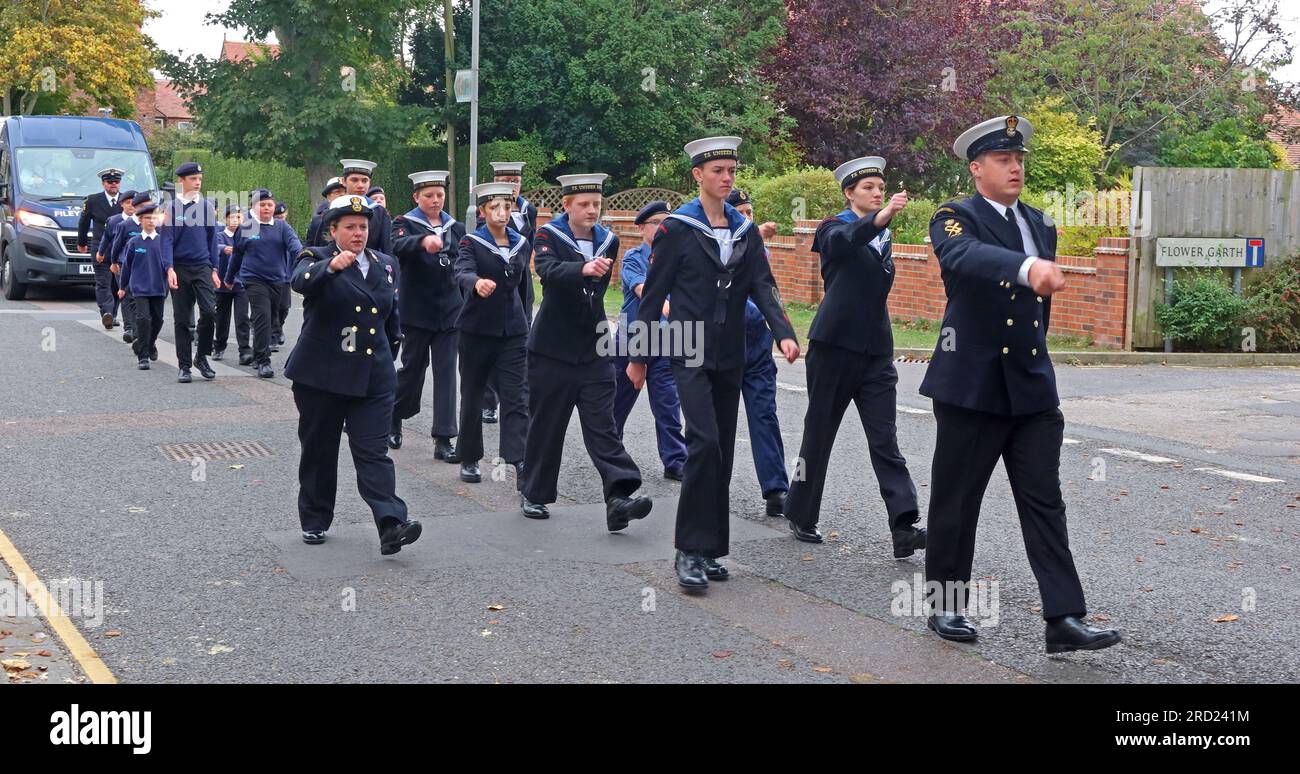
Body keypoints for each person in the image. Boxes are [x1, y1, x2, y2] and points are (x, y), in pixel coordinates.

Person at [921, 115, 1121, 653]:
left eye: (1020, 159)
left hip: (1030, 388)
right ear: (977, 167)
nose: (1015, 167)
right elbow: (963, 258)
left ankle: (1064, 619)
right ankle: (945, 604)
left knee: (1044, 502)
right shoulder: (953, 217)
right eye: (1004, 160)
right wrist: (1028, 267)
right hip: (971, 386)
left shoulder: (1040, 222)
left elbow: (1039, 315)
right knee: (957, 502)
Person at [627, 136, 799, 592]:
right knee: (702, 442)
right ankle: (687, 548)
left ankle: (710, 549)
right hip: (688, 348)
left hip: (731, 352)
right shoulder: (678, 228)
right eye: (718, 171)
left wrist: (783, 332)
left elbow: (763, 285)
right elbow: (654, 294)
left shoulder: (742, 229)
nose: (726, 178)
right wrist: (639, 357)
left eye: (731, 171)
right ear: (697, 176)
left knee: (720, 448)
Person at [783, 157, 924, 558]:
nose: (878, 193)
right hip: (833, 348)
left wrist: (881, 222)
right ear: (849, 193)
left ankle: (904, 526)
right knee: (819, 433)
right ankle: (801, 512)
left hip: (876, 353)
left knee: (885, 439)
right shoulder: (833, 228)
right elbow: (844, 243)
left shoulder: (885, 236)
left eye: (881, 187)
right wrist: (879, 218)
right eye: (868, 188)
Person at [283, 194, 421, 555]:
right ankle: (314, 519)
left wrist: (393, 351)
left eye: (363, 226)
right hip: (322, 376)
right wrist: (331, 267)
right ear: (333, 230)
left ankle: (391, 523)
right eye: (350, 227)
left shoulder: (386, 263)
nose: (359, 233)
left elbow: (391, 316)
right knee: (319, 450)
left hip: (373, 377)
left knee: (373, 451)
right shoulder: (316, 257)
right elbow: (299, 281)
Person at [520, 173, 653, 530]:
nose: (592, 210)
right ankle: (534, 492)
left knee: (603, 425)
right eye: (584, 204)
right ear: (567, 205)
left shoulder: (608, 239)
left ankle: (619, 497)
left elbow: (597, 288)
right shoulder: (548, 235)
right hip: (552, 348)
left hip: (594, 346)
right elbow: (546, 272)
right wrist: (582, 268)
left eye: (596, 203)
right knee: (548, 425)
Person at [453, 182, 531, 485]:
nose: (502, 213)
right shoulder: (471, 242)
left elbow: (524, 288)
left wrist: (525, 321)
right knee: (472, 395)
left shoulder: (521, 243)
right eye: (495, 207)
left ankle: (519, 459)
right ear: (483, 211)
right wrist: (476, 283)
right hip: (476, 330)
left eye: (507, 207)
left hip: (512, 331)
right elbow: (461, 271)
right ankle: (470, 457)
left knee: (516, 397)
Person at [388, 170, 466, 461]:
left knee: (446, 375)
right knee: (411, 371)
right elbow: (397, 246)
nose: (435, 201)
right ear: (416, 197)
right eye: (429, 196)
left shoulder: (455, 227)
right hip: (417, 312)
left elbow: (463, 260)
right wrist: (422, 242)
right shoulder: (404, 223)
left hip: (450, 312)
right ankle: (394, 416)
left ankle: (444, 437)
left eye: (440, 195)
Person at [725, 188, 791, 518]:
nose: (749, 218)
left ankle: (776, 488)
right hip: (723, 343)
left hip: (757, 346)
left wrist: (783, 329)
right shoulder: (717, 242)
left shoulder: (755, 246)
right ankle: (708, 486)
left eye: (751, 212)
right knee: (715, 420)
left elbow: (767, 288)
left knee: (764, 413)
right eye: (743, 213)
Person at [610, 200, 687, 480]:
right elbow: (643, 288)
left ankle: (675, 461)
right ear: (642, 227)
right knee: (619, 400)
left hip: (666, 341)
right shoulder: (633, 257)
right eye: (656, 223)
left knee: (668, 403)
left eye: (666, 222)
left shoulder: (677, 259)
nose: (661, 228)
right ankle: (609, 450)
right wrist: (667, 305)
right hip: (632, 339)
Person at [479, 161, 536, 424]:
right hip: (493, 280)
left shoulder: (528, 210)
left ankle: (515, 400)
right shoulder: (487, 209)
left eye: (515, 179)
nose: (512, 184)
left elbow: (529, 245)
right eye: (505, 179)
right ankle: (489, 402)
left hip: (521, 280)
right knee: (491, 342)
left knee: (520, 340)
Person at [223, 189, 303, 378]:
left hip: (277, 279)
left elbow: (295, 246)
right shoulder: (247, 227)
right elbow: (237, 255)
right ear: (254, 207)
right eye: (262, 204)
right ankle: (263, 360)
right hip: (253, 279)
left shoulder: (282, 227)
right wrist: (229, 278)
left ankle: (259, 354)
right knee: (262, 317)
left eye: (270, 205)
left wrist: (304, 258)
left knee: (274, 316)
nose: (267, 208)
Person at [161, 161, 220, 383]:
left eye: (200, 179)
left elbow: (212, 238)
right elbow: (165, 241)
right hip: (180, 268)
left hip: (202, 266)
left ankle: (201, 357)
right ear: (181, 181)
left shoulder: (206, 207)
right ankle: (184, 366)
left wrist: (214, 268)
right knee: (182, 319)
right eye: (193, 179)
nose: (197, 183)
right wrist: (169, 268)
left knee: (210, 312)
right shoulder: (171, 208)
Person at [116, 201, 173, 370]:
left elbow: (169, 264)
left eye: (154, 218)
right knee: (143, 320)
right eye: (147, 218)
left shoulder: (164, 242)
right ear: (140, 220)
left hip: (158, 287)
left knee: (157, 321)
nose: (150, 221)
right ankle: (143, 356)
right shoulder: (134, 242)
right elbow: (126, 266)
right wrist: (122, 286)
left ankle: (149, 343)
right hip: (139, 288)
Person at [77, 168, 125, 330]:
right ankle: (107, 312)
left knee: (117, 284)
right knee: (103, 282)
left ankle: (113, 314)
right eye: (109, 182)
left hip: (122, 249)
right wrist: (82, 242)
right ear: (103, 183)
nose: (113, 185)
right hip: (100, 248)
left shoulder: (127, 201)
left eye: (116, 182)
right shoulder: (93, 200)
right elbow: (83, 223)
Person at [213, 204, 252, 365]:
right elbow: (213, 248)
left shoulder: (247, 236)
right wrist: (223, 249)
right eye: (232, 217)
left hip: (241, 283)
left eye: (239, 217)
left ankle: (244, 350)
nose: (235, 221)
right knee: (222, 317)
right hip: (223, 284)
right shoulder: (220, 235)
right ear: (226, 219)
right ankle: (219, 346)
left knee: (242, 317)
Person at [99, 188, 138, 343]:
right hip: (121, 264)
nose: (131, 206)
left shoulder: (143, 221)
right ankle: (129, 327)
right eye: (128, 203)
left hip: (140, 265)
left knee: (137, 296)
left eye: (134, 203)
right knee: (126, 294)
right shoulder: (114, 221)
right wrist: (101, 253)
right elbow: (107, 238)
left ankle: (137, 327)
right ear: (122, 204)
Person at [305, 177, 346, 247]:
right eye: (337, 192)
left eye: (345, 191)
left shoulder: (357, 217)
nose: (342, 194)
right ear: (328, 197)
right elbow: (308, 248)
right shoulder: (317, 221)